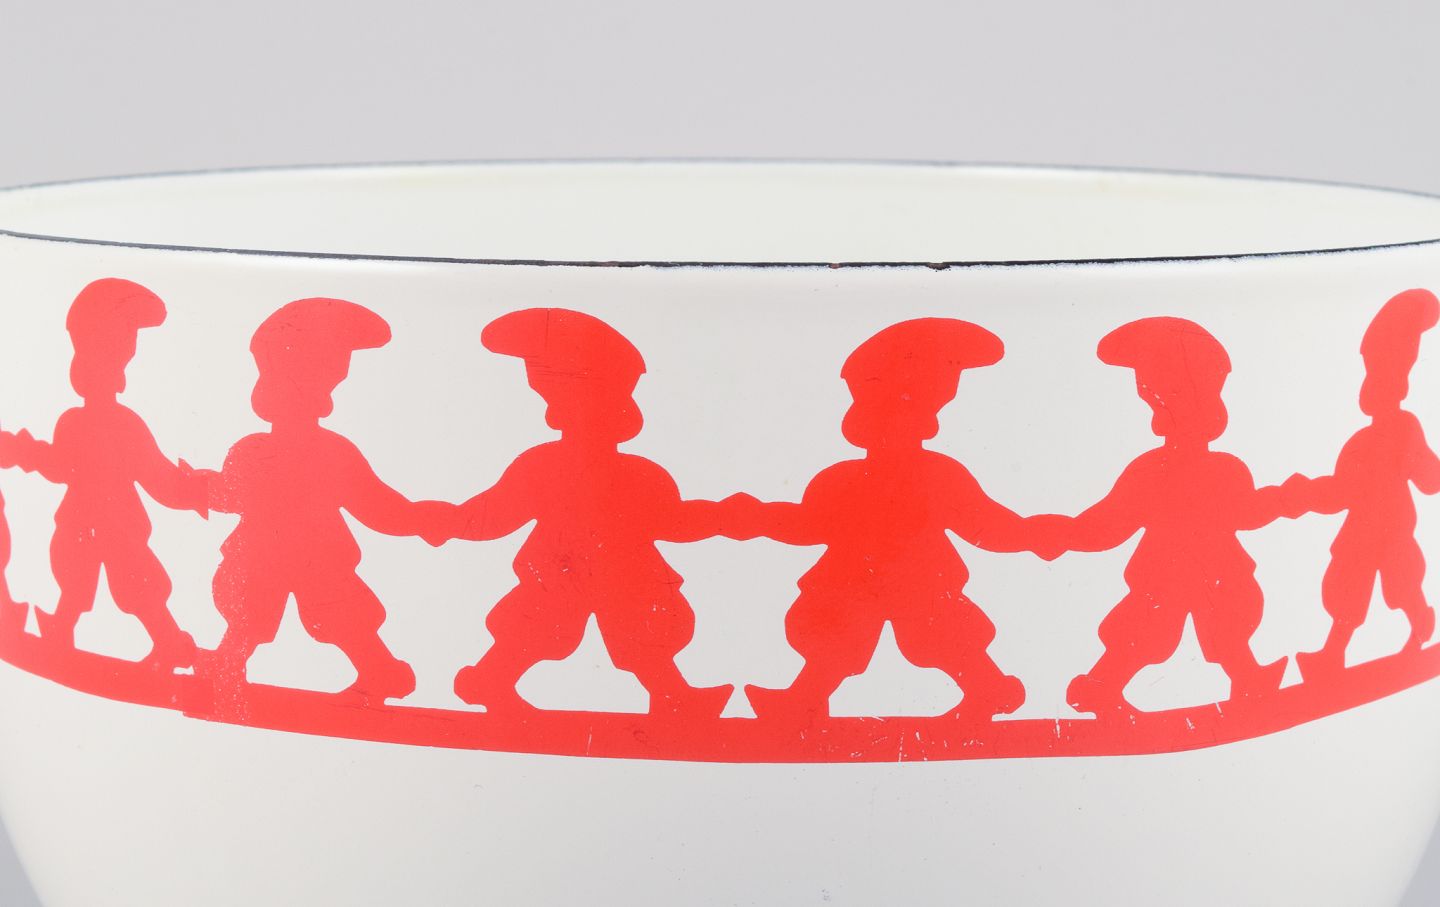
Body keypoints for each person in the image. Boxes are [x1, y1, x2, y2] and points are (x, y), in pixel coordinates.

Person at [733, 318, 1050, 724]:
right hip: (857, 578)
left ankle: (986, 689)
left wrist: (1032, 534)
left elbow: (983, 523)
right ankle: (803, 699)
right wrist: (758, 517)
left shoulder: (935, 474)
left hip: (916, 576)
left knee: (938, 635)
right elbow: (808, 524)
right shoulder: (843, 479)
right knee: (838, 634)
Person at [431, 308, 737, 720]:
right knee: (540, 626)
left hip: (625, 571)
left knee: (643, 631)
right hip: (562, 567)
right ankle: (491, 679)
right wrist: (448, 521)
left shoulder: (641, 474)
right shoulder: (544, 465)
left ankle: (673, 697)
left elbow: (673, 520)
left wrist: (722, 516)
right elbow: (496, 512)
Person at [1043, 317, 1291, 716]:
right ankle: (1102, 685)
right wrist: (1065, 533)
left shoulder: (1221, 469)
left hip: (1212, 569)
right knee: (1147, 630)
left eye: (1161, 397)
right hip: (1168, 571)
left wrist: (1285, 498)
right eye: (1158, 398)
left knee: (1226, 620)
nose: (1159, 406)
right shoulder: (1154, 471)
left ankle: (1247, 678)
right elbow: (1109, 523)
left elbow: (1246, 511)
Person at [200, 297, 440, 704]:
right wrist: (196, 487)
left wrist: (420, 519)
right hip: (265, 551)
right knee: (250, 605)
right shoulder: (254, 450)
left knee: (338, 612)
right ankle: (228, 662)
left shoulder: (329, 452)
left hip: (316, 553)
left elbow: (375, 504)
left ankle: (379, 670)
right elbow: (231, 494)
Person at [0, 278, 205, 670]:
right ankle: (62, 628)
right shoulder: (73, 421)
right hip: (81, 519)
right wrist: (22, 451)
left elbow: (157, 476)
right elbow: (60, 465)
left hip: (118, 523)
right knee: (73, 571)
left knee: (135, 581)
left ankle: (168, 641)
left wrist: (197, 491)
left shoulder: (125, 425)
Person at [1290, 289, 1440, 681]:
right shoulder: (1359, 442)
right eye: (1372, 379)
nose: (1374, 388)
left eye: (1383, 379)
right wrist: (1307, 494)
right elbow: (1340, 490)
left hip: (1393, 526)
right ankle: (1332, 655)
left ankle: (1419, 623)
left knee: (1402, 580)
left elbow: (1429, 476)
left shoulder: (1406, 427)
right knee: (1348, 586)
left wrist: (1419, 465)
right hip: (1360, 528)